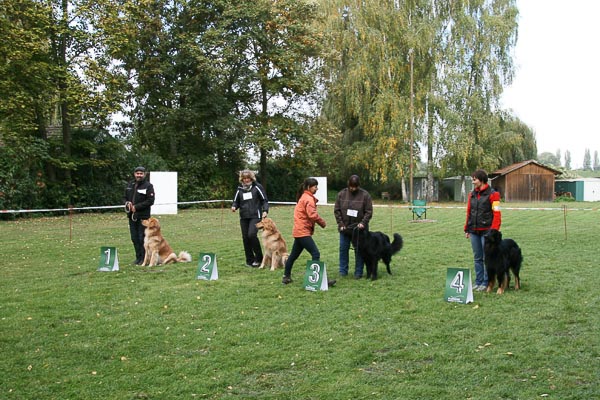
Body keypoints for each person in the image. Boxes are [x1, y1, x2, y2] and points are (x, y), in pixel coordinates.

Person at [282, 178, 334, 287]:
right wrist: (322, 223)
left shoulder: (303, 197)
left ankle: (286, 277)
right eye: (315, 186)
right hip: (303, 231)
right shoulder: (308, 199)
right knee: (315, 254)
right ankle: (317, 280)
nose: (317, 188)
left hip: (298, 231)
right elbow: (312, 215)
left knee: (293, 256)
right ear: (309, 187)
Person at [464, 169, 502, 291]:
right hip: (474, 230)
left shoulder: (493, 194)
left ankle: (487, 282)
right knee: (477, 258)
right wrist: (467, 228)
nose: (473, 182)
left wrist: (494, 231)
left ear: (481, 180)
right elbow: (469, 212)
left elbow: (497, 214)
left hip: (487, 232)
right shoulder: (472, 194)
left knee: (487, 258)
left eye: (474, 179)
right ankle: (478, 281)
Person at [334, 175, 373, 278]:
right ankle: (343, 271)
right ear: (348, 184)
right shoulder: (341, 194)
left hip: (359, 230)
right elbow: (337, 211)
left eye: (355, 187)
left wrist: (363, 223)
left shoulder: (365, 195)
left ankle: (358, 272)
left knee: (359, 250)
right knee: (343, 249)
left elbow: (369, 212)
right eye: (351, 186)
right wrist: (341, 224)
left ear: (358, 185)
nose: (353, 189)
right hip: (345, 228)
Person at [231, 169, 269, 267]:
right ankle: (249, 260)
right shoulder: (240, 188)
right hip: (244, 216)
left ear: (251, 178)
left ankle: (259, 258)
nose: (246, 180)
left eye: (248, 178)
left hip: (255, 215)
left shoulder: (257, 187)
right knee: (245, 238)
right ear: (242, 179)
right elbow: (236, 201)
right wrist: (234, 206)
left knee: (251, 235)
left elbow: (264, 200)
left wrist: (265, 210)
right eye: (244, 178)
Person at [124, 166, 155, 265]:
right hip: (132, 217)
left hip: (143, 217)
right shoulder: (130, 185)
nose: (139, 175)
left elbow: (150, 201)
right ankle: (138, 258)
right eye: (137, 173)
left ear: (144, 174)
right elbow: (124, 198)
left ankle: (144, 259)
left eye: (141, 173)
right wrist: (127, 203)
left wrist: (136, 207)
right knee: (134, 238)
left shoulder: (148, 186)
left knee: (142, 238)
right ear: (134, 174)